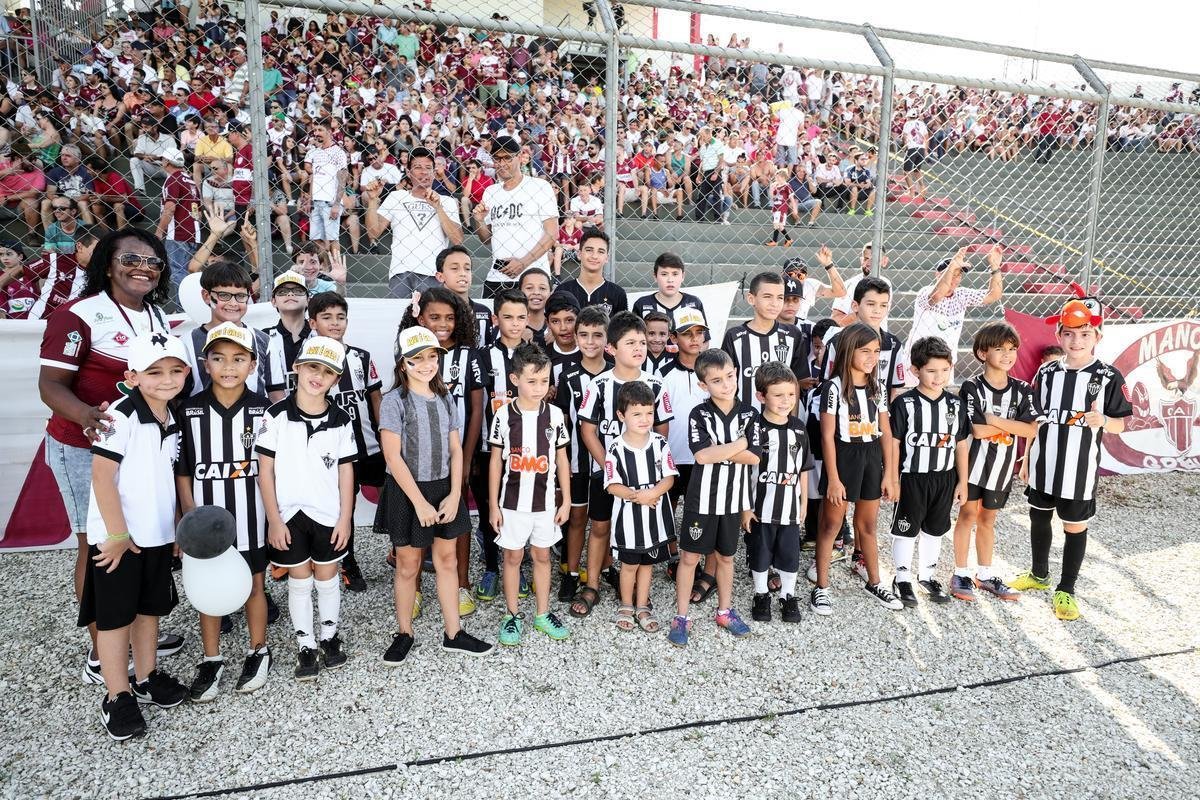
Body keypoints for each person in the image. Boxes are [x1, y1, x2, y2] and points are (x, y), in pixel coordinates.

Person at [38, 228, 184, 685]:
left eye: (153, 261)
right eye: (131, 259)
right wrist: (87, 416)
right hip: (85, 445)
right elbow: (50, 385)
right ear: (105, 263)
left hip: (141, 447)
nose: (144, 267)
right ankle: (101, 647)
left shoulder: (156, 316)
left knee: (139, 535)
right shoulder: (77, 314)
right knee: (98, 543)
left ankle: (135, 634)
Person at [81, 332, 190, 740]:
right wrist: (117, 534)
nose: (166, 378)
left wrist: (177, 525)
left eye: (175, 370)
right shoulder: (120, 416)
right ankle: (116, 695)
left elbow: (165, 477)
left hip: (157, 534)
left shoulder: (172, 415)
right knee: (114, 619)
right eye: (154, 371)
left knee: (149, 610)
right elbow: (102, 477)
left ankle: (146, 677)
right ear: (132, 375)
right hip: (119, 538)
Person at [375, 326, 494, 663]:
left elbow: (456, 450)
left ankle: (453, 632)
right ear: (402, 364)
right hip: (409, 492)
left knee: (447, 561)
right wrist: (420, 502)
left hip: (444, 489)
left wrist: (456, 493)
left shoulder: (445, 398)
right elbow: (392, 457)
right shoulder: (393, 401)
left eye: (431, 356)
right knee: (408, 566)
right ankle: (404, 632)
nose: (426, 364)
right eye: (417, 359)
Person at [1012, 298, 1131, 621]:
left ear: (1097, 337)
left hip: (1078, 469)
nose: (1076, 341)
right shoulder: (1047, 371)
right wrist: (1025, 459)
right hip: (1043, 461)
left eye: (1085, 334)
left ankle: (1066, 588)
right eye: (1068, 334)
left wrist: (1103, 420)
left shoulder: (1108, 376)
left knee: (1074, 526)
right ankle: (1039, 574)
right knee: (1038, 516)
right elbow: (1034, 419)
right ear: (1059, 336)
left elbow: (1122, 423)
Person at [176, 324, 272, 701]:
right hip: (206, 525)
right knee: (208, 592)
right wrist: (189, 522)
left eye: (238, 359)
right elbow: (183, 471)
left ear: (252, 364)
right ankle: (212, 657)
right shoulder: (190, 410)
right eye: (218, 358)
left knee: (255, 585)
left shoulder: (264, 411)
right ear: (205, 363)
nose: (228, 367)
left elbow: (271, 471)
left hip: (252, 520)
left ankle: (258, 649)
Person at [256, 336, 357, 681]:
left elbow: (346, 471)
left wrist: (345, 518)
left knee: (327, 578)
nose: (318, 376)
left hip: (328, 514)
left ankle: (329, 638)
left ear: (336, 379)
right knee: (300, 581)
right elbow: (264, 470)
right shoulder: (275, 415)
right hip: (288, 517)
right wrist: (273, 520)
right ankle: (306, 645)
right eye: (312, 367)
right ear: (297, 368)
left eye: (327, 372)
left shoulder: (342, 420)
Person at [571, 312, 672, 618]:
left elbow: (662, 429)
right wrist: (610, 467)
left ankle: (638, 594)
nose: (640, 347)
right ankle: (592, 584)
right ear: (612, 348)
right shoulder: (599, 385)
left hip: (645, 479)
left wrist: (651, 473)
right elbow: (587, 429)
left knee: (643, 530)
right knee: (600, 526)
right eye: (631, 342)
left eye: (642, 341)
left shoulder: (655, 383)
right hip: (607, 473)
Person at [399, 288, 483, 615]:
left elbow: (476, 410)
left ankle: (461, 585)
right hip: (418, 458)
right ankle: (416, 587)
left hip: (455, 455)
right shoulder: (408, 354)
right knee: (416, 522)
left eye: (449, 317)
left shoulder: (468, 356)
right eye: (435, 317)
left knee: (456, 520)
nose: (443, 324)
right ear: (420, 319)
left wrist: (467, 456)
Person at [811, 322, 903, 616]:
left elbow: (886, 432)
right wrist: (834, 479)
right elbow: (826, 435)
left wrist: (890, 473)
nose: (872, 357)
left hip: (871, 456)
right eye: (865, 351)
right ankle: (821, 587)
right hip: (843, 456)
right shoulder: (834, 387)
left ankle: (875, 581)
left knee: (868, 525)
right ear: (849, 350)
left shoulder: (878, 387)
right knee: (831, 524)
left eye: (876, 351)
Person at [669, 348, 757, 646]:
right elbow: (703, 455)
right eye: (717, 380)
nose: (727, 384)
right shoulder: (700, 413)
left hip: (732, 501)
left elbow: (754, 458)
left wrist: (726, 447)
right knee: (690, 557)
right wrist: (739, 443)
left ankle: (724, 610)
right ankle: (681, 616)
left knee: (726, 558)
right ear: (704, 386)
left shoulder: (748, 413)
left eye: (730, 376)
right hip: (701, 499)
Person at [489, 343, 572, 645]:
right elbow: (495, 463)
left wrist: (565, 500)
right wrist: (493, 507)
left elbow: (562, 459)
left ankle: (542, 613)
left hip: (546, 503)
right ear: (515, 380)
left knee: (542, 555)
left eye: (544, 381)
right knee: (512, 557)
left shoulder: (555, 415)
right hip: (511, 504)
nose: (539, 388)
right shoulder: (503, 416)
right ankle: (511, 615)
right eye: (532, 381)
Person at [950, 321, 1038, 602]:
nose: (1007, 354)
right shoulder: (972, 387)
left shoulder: (1023, 390)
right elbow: (976, 430)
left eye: (1012, 349)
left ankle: (985, 573)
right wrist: (1012, 425)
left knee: (988, 519)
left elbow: (1031, 429)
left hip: (1001, 469)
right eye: (999, 348)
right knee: (967, 516)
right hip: (974, 466)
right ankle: (961, 571)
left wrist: (996, 420)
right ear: (981, 353)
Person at [307, 291, 383, 593]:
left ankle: (399, 548)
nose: (334, 323)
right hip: (335, 454)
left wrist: (383, 434)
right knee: (343, 510)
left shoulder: (361, 357)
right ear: (313, 322)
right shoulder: (309, 361)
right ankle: (348, 562)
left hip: (370, 446)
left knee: (395, 493)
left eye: (340, 317)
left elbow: (375, 398)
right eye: (327, 317)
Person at [887, 336, 970, 607]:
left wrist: (963, 482)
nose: (939, 377)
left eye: (944, 370)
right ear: (915, 370)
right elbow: (895, 443)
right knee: (906, 530)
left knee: (935, 529)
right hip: (912, 477)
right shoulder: (905, 403)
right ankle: (901, 578)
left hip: (944, 478)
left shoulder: (955, 405)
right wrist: (891, 478)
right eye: (931, 371)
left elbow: (960, 445)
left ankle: (927, 576)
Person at [605, 381, 678, 634]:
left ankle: (642, 605)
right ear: (621, 415)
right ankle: (626, 604)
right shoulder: (615, 448)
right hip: (628, 518)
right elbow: (612, 485)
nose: (645, 419)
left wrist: (653, 493)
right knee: (629, 565)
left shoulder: (659, 443)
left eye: (649, 413)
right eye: (637, 413)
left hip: (654, 519)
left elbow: (669, 478)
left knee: (648, 565)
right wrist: (639, 496)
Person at [473, 288, 530, 604]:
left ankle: (517, 565)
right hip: (488, 449)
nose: (515, 323)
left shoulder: (535, 356)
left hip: (525, 452)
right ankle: (493, 566)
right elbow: (474, 407)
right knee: (488, 509)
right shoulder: (482, 356)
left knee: (519, 509)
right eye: (508, 317)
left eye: (521, 317)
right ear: (495, 319)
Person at [744, 362, 812, 623]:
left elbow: (803, 468)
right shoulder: (754, 428)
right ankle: (761, 594)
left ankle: (788, 594)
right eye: (778, 395)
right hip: (760, 506)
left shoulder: (798, 428)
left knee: (789, 553)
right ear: (762, 396)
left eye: (791, 394)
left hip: (790, 506)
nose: (787, 401)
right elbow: (743, 471)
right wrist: (745, 507)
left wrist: (804, 501)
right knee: (760, 552)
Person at [553, 304, 612, 601]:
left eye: (597, 335)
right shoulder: (567, 376)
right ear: (576, 337)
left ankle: (604, 568)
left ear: (607, 338)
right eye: (584, 335)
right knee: (576, 518)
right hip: (577, 463)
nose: (590, 342)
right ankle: (570, 572)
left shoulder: (617, 374)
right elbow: (561, 422)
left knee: (604, 521)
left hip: (607, 464)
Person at [365, 146, 463, 298]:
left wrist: (438, 208)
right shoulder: (396, 197)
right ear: (409, 173)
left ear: (434, 173)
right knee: (399, 319)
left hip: (434, 273)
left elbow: (457, 239)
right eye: (418, 167)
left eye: (429, 168)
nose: (424, 172)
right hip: (401, 271)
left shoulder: (447, 201)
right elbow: (373, 232)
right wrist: (372, 200)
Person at [901, 245, 1004, 384]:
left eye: (959, 275)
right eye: (951, 273)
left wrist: (995, 267)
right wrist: (952, 266)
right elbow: (937, 295)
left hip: (945, 365)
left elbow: (994, 295)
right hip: (917, 363)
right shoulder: (926, 292)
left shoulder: (961, 295)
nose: (955, 279)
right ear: (938, 275)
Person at [473, 135, 557, 298]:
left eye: (507, 158)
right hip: (497, 276)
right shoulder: (491, 192)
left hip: (532, 277)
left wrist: (523, 263)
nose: (502, 163)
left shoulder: (539, 187)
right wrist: (479, 221)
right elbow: (486, 239)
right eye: (497, 158)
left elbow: (552, 233)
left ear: (519, 157)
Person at [720, 271, 811, 412]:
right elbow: (726, 383)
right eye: (768, 297)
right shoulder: (735, 336)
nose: (775, 303)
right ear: (751, 299)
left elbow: (796, 382)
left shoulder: (793, 335)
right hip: (744, 422)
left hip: (781, 422)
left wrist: (791, 422)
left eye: (780, 298)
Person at [180, 261, 273, 396]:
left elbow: (275, 392)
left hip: (255, 416)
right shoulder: (187, 342)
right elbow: (179, 397)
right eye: (224, 295)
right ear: (207, 296)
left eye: (240, 296)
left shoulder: (264, 340)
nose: (233, 303)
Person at [302, 121, 350, 263]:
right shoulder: (315, 153)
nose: (316, 133)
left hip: (330, 202)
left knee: (332, 239)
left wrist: (336, 204)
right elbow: (314, 177)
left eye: (320, 130)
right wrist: (309, 200)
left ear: (329, 132)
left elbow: (343, 178)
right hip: (316, 202)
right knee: (316, 239)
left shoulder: (338, 152)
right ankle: (324, 268)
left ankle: (336, 269)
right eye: (315, 130)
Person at [155, 147, 201, 290]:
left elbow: (170, 208)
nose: (162, 162)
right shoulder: (191, 181)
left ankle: (183, 308)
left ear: (167, 161)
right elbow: (198, 212)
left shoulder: (172, 180)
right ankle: (187, 307)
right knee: (187, 273)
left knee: (176, 272)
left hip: (178, 233)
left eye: (163, 159)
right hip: (193, 232)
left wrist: (159, 231)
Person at [557, 228, 628, 317]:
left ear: (607, 258)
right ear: (579, 254)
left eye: (601, 251)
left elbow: (622, 329)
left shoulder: (618, 293)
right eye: (589, 250)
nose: (594, 256)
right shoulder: (563, 291)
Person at [434, 244, 493, 349]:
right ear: (440, 276)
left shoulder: (483, 311)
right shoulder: (431, 311)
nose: (463, 273)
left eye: (467, 269)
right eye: (454, 268)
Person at [264, 270, 311, 402]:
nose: (290, 294)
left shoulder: (320, 336)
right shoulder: (263, 338)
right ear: (273, 301)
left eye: (298, 291)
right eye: (282, 292)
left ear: (308, 300)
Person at [631, 252, 704, 320]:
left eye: (675, 274)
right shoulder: (641, 304)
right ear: (655, 276)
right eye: (664, 274)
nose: (670, 280)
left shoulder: (694, 303)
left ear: (683, 276)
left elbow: (703, 333)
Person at [832, 243, 891, 328]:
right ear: (861, 260)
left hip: (879, 337)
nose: (869, 263)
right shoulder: (849, 285)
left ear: (884, 261)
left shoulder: (887, 283)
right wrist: (861, 314)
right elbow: (835, 319)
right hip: (856, 337)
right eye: (866, 259)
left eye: (874, 260)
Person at [781, 249, 846, 325]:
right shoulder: (775, 286)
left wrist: (829, 265)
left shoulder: (809, 285)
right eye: (791, 274)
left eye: (801, 275)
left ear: (806, 277)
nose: (796, 278)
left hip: (799, 328)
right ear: (782, 274)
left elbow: (840, 292)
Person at [901, 108, 929, 200]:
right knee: (917, 170)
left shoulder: (907, 124)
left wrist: (905, 145)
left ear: (908, 117)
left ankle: (911, 191)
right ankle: (922, 187)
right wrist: (925, 149)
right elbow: (926, 137)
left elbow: (904, 136)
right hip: (921, 148)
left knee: (906, 171)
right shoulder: (922, 124)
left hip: (912, 148)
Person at [764, 167, 794, 247]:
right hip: (775, 207)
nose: (776, 179)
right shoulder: (776, 187)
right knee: (780, 225)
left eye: (778, 177)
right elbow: (772, 197)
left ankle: (774, 241)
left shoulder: (787, 186)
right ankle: (788, 239)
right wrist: (771, 187)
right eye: (776, 177)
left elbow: (791, 197)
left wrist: (794, 208)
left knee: (776, 224)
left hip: (781, 208)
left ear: (783, 177)